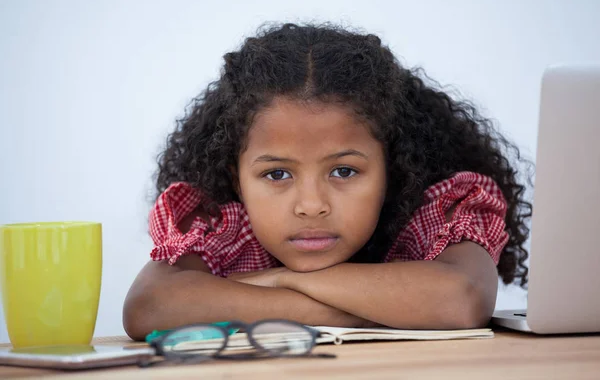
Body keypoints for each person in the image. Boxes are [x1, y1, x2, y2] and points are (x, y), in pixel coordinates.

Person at [123, 23, 531, 341]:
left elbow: (459, 300)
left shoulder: (439, 212)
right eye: (277, 174)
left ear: (392, 167)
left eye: (344, 171)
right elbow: (149, 307)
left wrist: (285, 280)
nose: (311, 205)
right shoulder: (223, 225)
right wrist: (386, 308)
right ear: (238, 178)